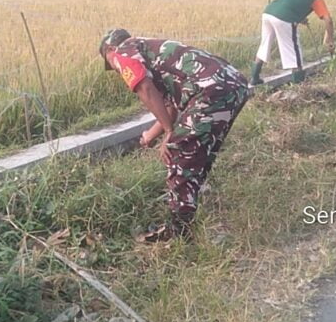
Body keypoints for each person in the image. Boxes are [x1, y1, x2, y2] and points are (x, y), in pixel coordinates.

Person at [100, 29, 249, 242]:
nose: (115, 69)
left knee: (178, 151)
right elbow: (170, 107)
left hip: (209, 91)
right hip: (233, 84)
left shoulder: (122, 53)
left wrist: (170, 133)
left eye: (109, 61)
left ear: (109, 49)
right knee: (200, 150)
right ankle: (191, 201)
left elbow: (144, 88)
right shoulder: (152, 49)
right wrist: (149, 136)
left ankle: (178, 232)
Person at [250, 0, 335, 86]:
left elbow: (289, 5)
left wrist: (300, 18)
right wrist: (330, 39)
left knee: (264, 45)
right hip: (284, 19)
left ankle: (254, 78)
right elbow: (328, 20)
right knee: (294, 52)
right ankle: (298, 87)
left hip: (268, 14)